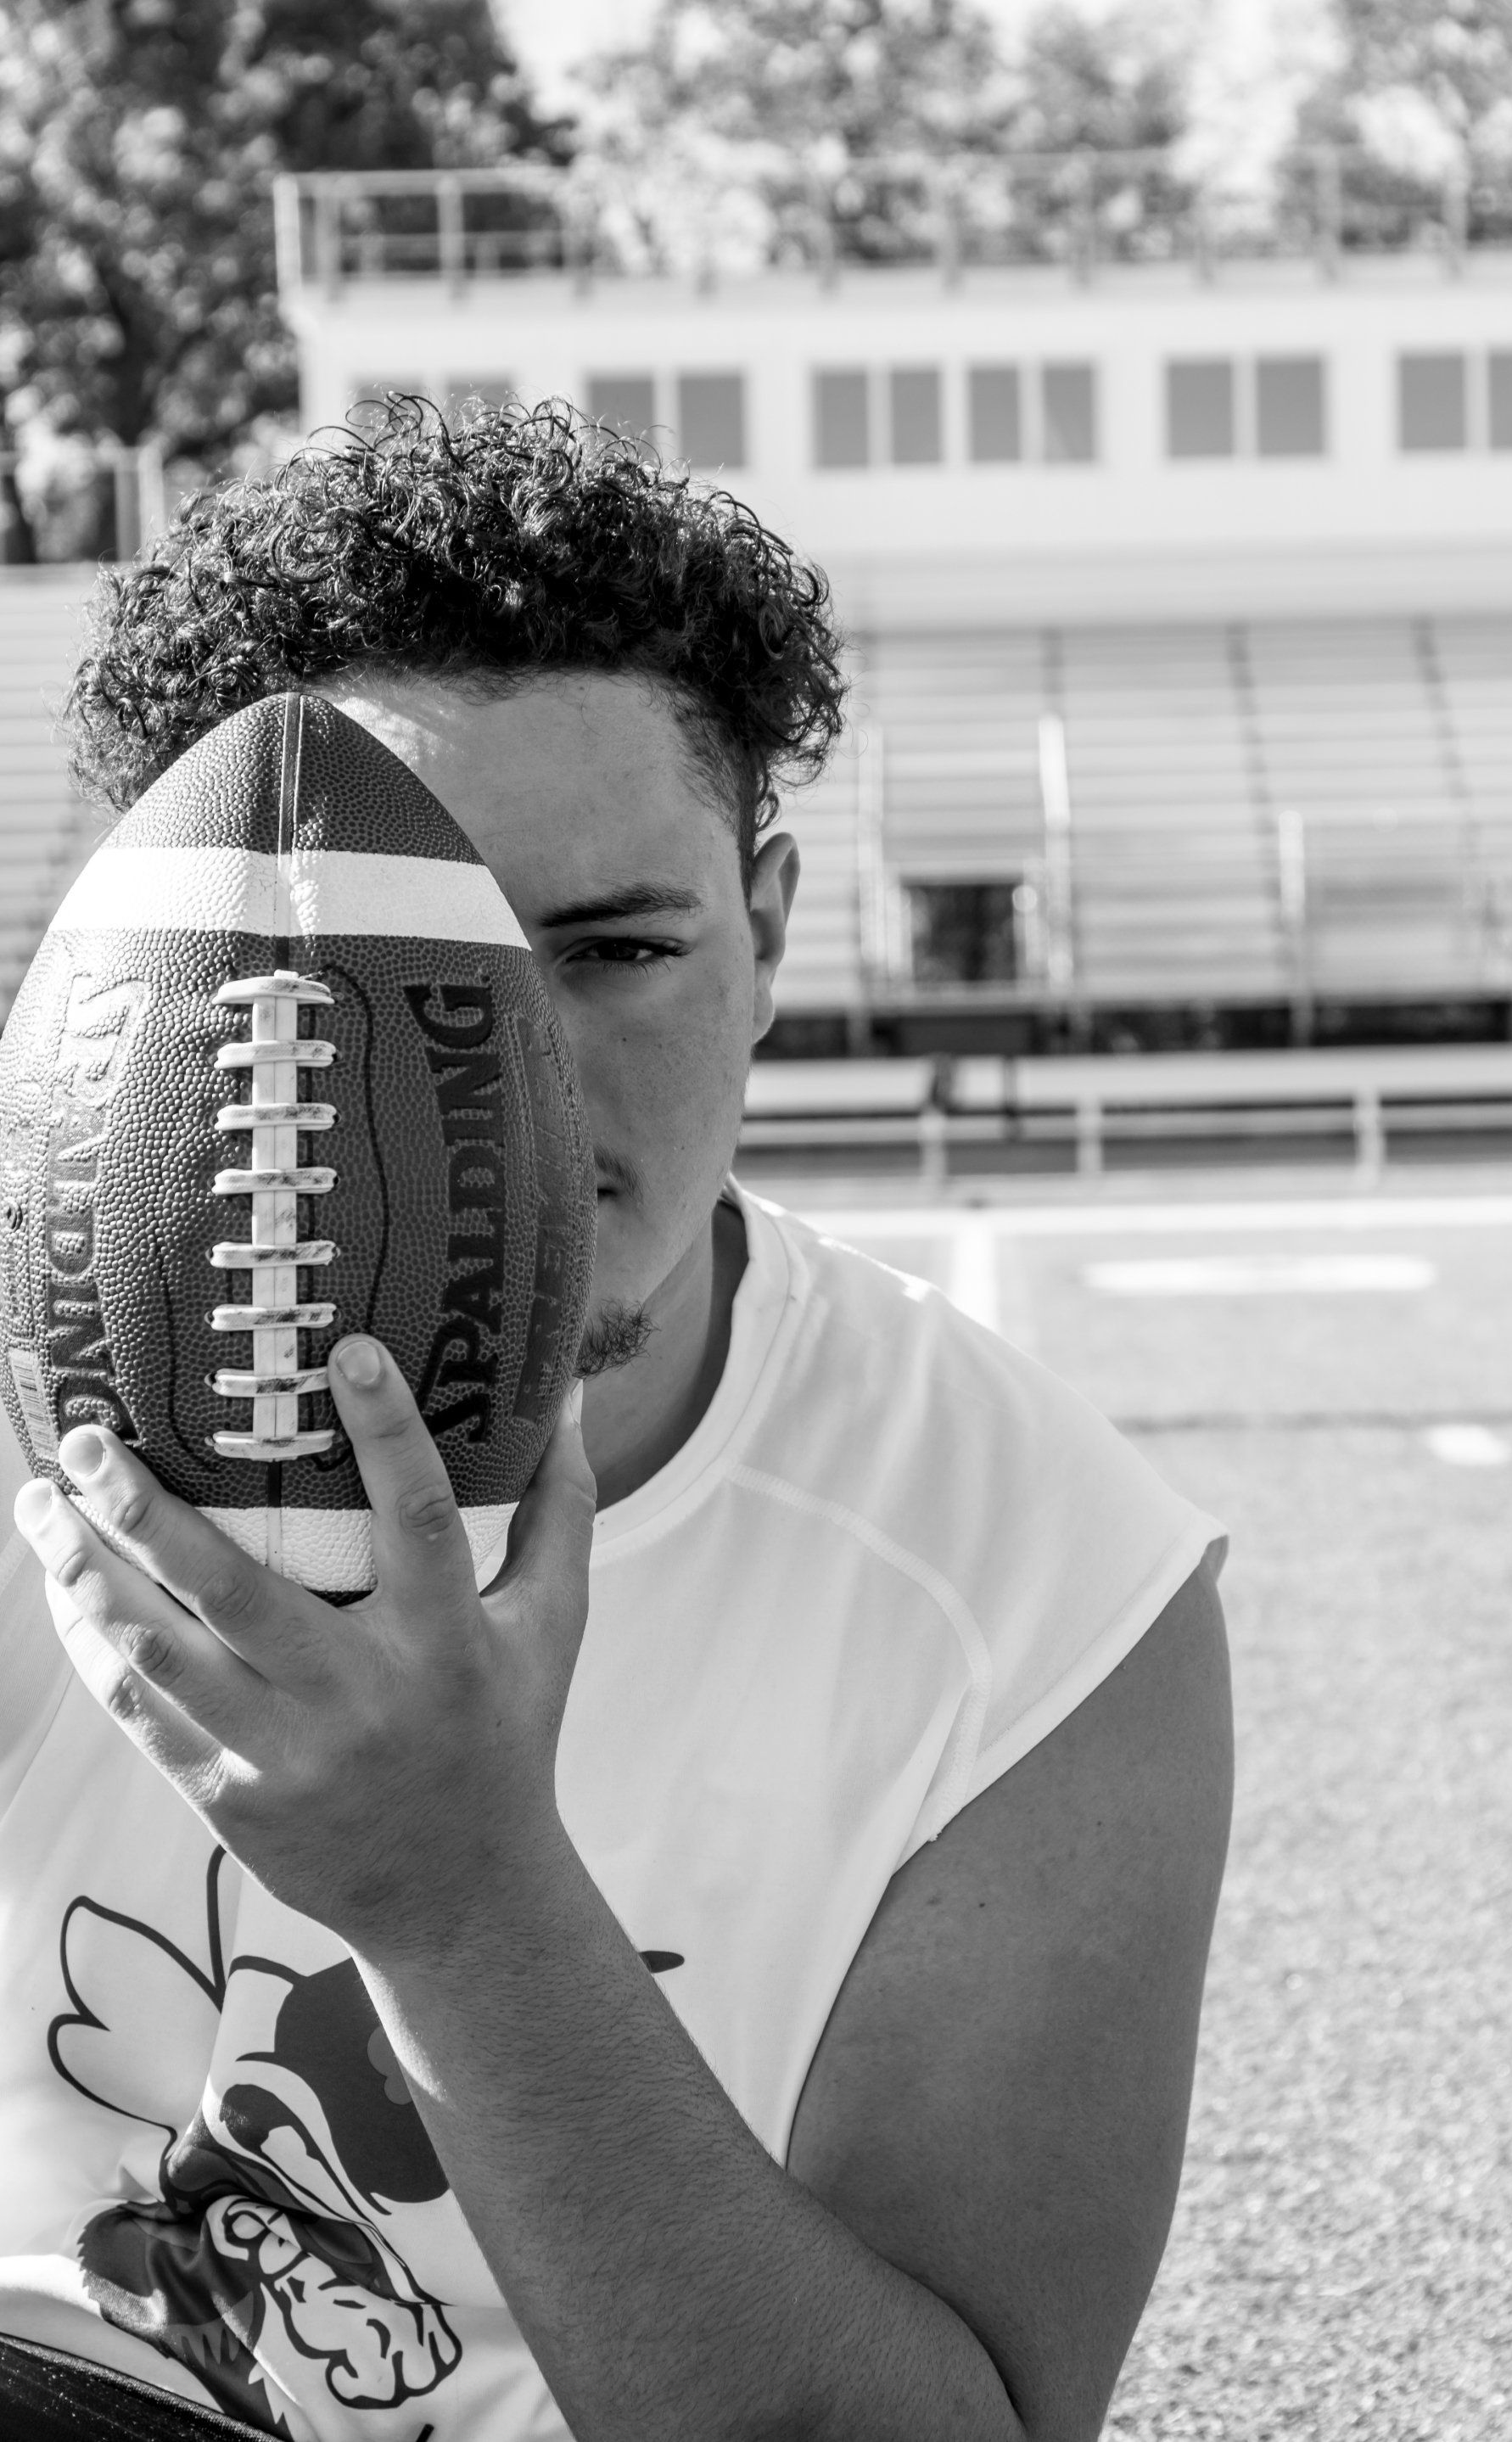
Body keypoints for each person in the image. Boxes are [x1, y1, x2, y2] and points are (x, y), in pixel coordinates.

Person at [0, 400, 1233, 2442]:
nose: (517, 1084)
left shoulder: (1043, 1583)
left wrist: (463, 1899)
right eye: (396, 986)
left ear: (770, 932)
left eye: (614, 950)